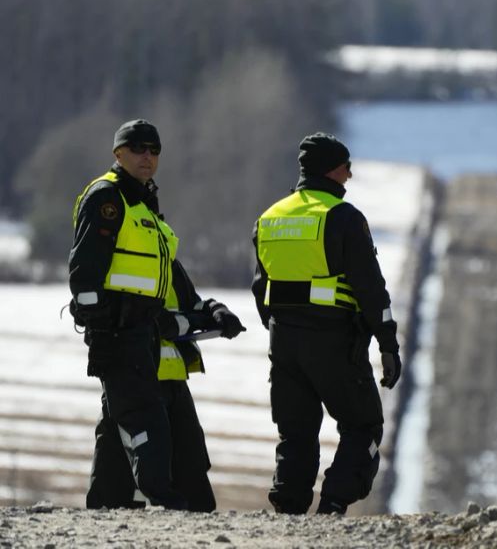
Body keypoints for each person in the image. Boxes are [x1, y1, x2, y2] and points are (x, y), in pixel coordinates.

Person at [69, 119, 244, 510]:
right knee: (149, 430)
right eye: (137, 149)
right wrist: (113, 321)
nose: (147, 156)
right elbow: (84, 277)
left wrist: (208, 311)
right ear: (118, 154)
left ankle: (107, 512)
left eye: (154, 150)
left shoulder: (146, 208)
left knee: (136, 431)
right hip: (119, 337)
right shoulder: (108, 199)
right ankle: (172, 510)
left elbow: (171, 278)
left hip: (146, 339)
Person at [252, 132, 401, 516]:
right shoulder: (343, 218)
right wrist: (388, 343)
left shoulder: (270, 217)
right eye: (346, 166)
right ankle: (332, 505)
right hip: (334, 341)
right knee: (363, 424)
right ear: (333, 169)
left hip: (284, 341)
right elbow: (370, 287)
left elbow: (259, 286)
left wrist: (281, 327)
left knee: (296, 430)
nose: (350, 175)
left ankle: (288, 507)